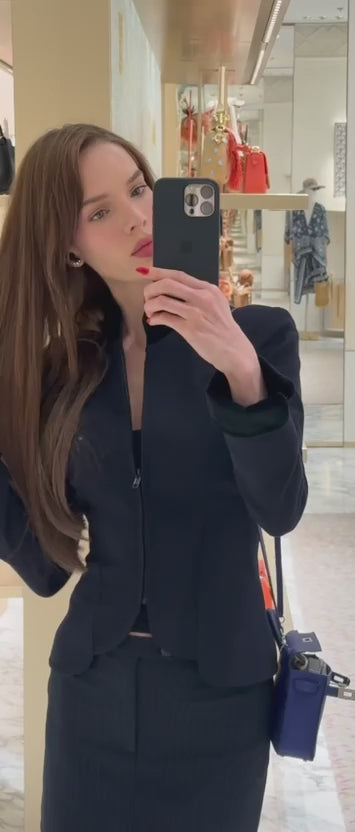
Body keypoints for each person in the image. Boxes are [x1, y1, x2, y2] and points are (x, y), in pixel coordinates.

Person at [0, 124, 308, 831]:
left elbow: (281, 507)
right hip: (92, 693)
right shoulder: (66, 373)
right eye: (101, 211)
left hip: (221, 697)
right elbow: (46, 568)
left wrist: (241, 371)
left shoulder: (260, 337)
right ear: (69, 246)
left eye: (139, 190)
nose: (138, 218)